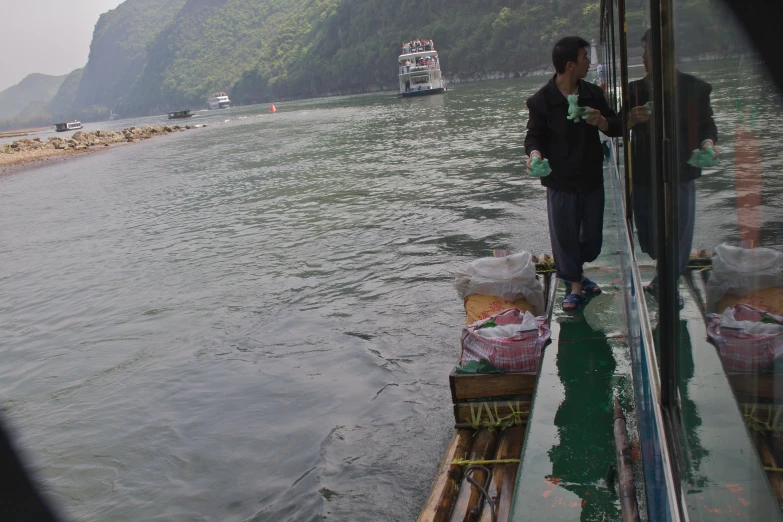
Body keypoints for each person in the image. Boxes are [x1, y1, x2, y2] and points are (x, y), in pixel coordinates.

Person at [524, 36, 623, 310]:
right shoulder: (542, 101)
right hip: (560, 181)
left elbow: (616, 124)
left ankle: (577, 272)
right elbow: (533, 137)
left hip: (591, 177)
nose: (589, 63)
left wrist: (602, 121)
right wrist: (535, 155)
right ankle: (576, 286)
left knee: (592, 241)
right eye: (584, 58)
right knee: (565, 236)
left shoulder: (592, 94)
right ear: (570, 65)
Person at [628, 29, 718, 307]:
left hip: (680, 172)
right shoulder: (636, 91)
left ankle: (670, 283)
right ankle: (661, 273)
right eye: (643, 52)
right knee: (650, 231)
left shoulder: (695, 88)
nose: (643, 58)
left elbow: (708, 126)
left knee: (678, 232)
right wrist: (631, 118)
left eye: (646, 53)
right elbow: (618, 124)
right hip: (646, 174)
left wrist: (708, 143)